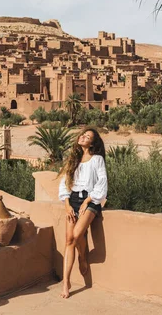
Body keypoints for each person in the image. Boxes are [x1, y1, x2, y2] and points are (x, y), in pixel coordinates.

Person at [57, 127, 107, 299]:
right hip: (72, 199)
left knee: (78, 234)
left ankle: (82, 257)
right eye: (83, 135)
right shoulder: (73, 159)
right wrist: (67, 204)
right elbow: (64, 183)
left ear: (92, 143)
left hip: (91, 200)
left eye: (88, 136)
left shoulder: (97, 159)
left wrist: (87, 201)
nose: (83, 137)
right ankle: (66, 282)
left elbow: (102, 183)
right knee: (69, 239)